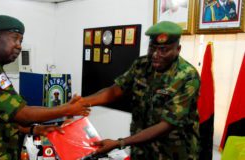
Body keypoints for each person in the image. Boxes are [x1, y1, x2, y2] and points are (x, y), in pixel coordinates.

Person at [0, 15, 91, 160]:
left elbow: (3, 116)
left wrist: (34, 129)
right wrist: (67, 109)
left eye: (21, 40)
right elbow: (22, 114)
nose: (19, 46)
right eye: (15, 39)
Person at [86, 21, 201, 159]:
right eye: (152, 48)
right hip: (141, 150)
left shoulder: (187, 76)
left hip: (173, 152)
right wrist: (82, 102)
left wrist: (120, 143)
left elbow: (166, 125)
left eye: (164, 50)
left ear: (178, 49)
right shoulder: (141, 64)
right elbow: (115, 91)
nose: (155, 54)